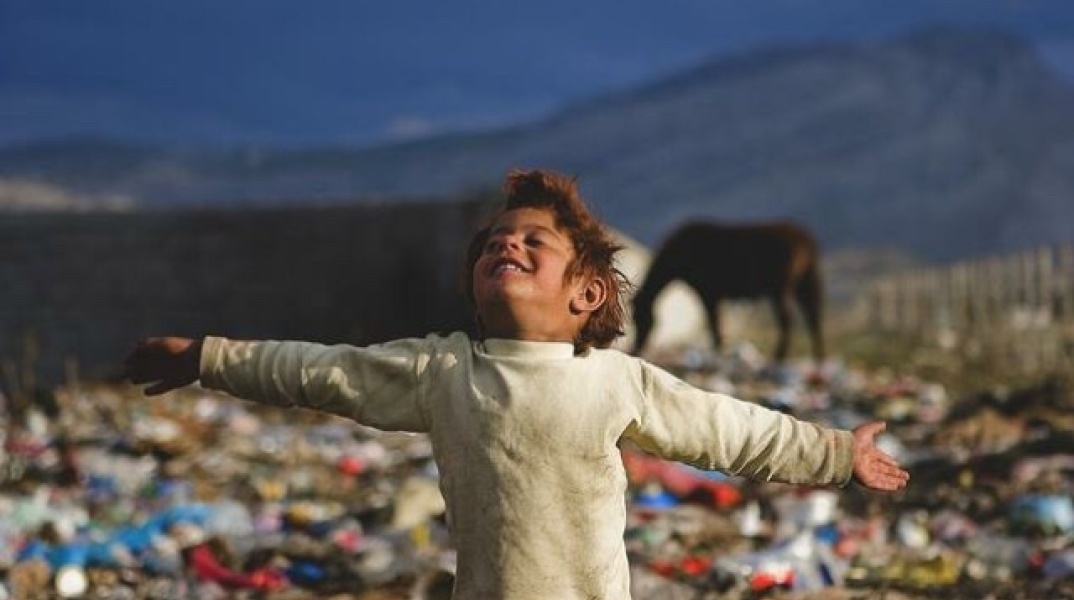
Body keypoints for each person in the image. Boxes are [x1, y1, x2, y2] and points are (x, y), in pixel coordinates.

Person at [124, 169, 909, 600]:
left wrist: (835, 453)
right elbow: (321, 371)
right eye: (495, 243)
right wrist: (209, 357)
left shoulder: (616, 381)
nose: (510, 246)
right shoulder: (441, 370)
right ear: (473, 285)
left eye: (535, 241)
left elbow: (729, 430)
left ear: (588, 294)